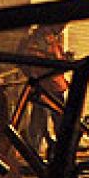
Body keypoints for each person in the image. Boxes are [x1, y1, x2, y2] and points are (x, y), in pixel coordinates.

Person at [17, 22, 70, 155]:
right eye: (62, 25)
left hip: (53, 85)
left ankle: (58, 150)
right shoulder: (41, 39)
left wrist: (64, 60)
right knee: (42, 120)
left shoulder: (50, 39)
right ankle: (36, 150)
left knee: (53, 120)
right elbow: (39, 61)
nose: (62, 28)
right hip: (46, 86)